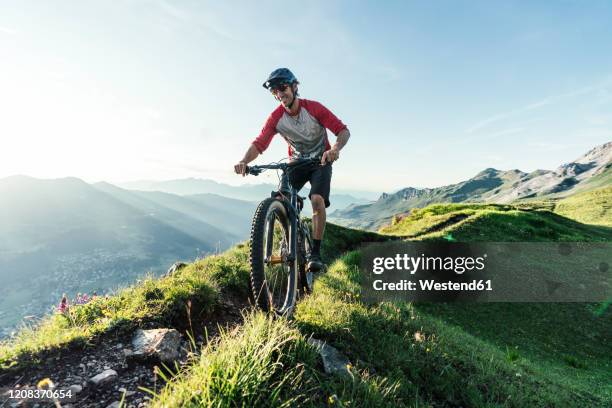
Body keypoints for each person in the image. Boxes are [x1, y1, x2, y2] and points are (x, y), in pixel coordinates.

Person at [234, 68, 350, 271]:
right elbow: (260, 143)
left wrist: (335, 149)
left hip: (321, 161)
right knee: (280, 199)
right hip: (295, 163)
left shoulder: (313, 108)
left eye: (282, 88)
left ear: (294, 87)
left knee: (316, 200)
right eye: (274, 92)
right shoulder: (276, 117)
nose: (279, 94)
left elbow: (343, 130)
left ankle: (315, 252)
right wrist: (244, 160)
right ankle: (289, 239)